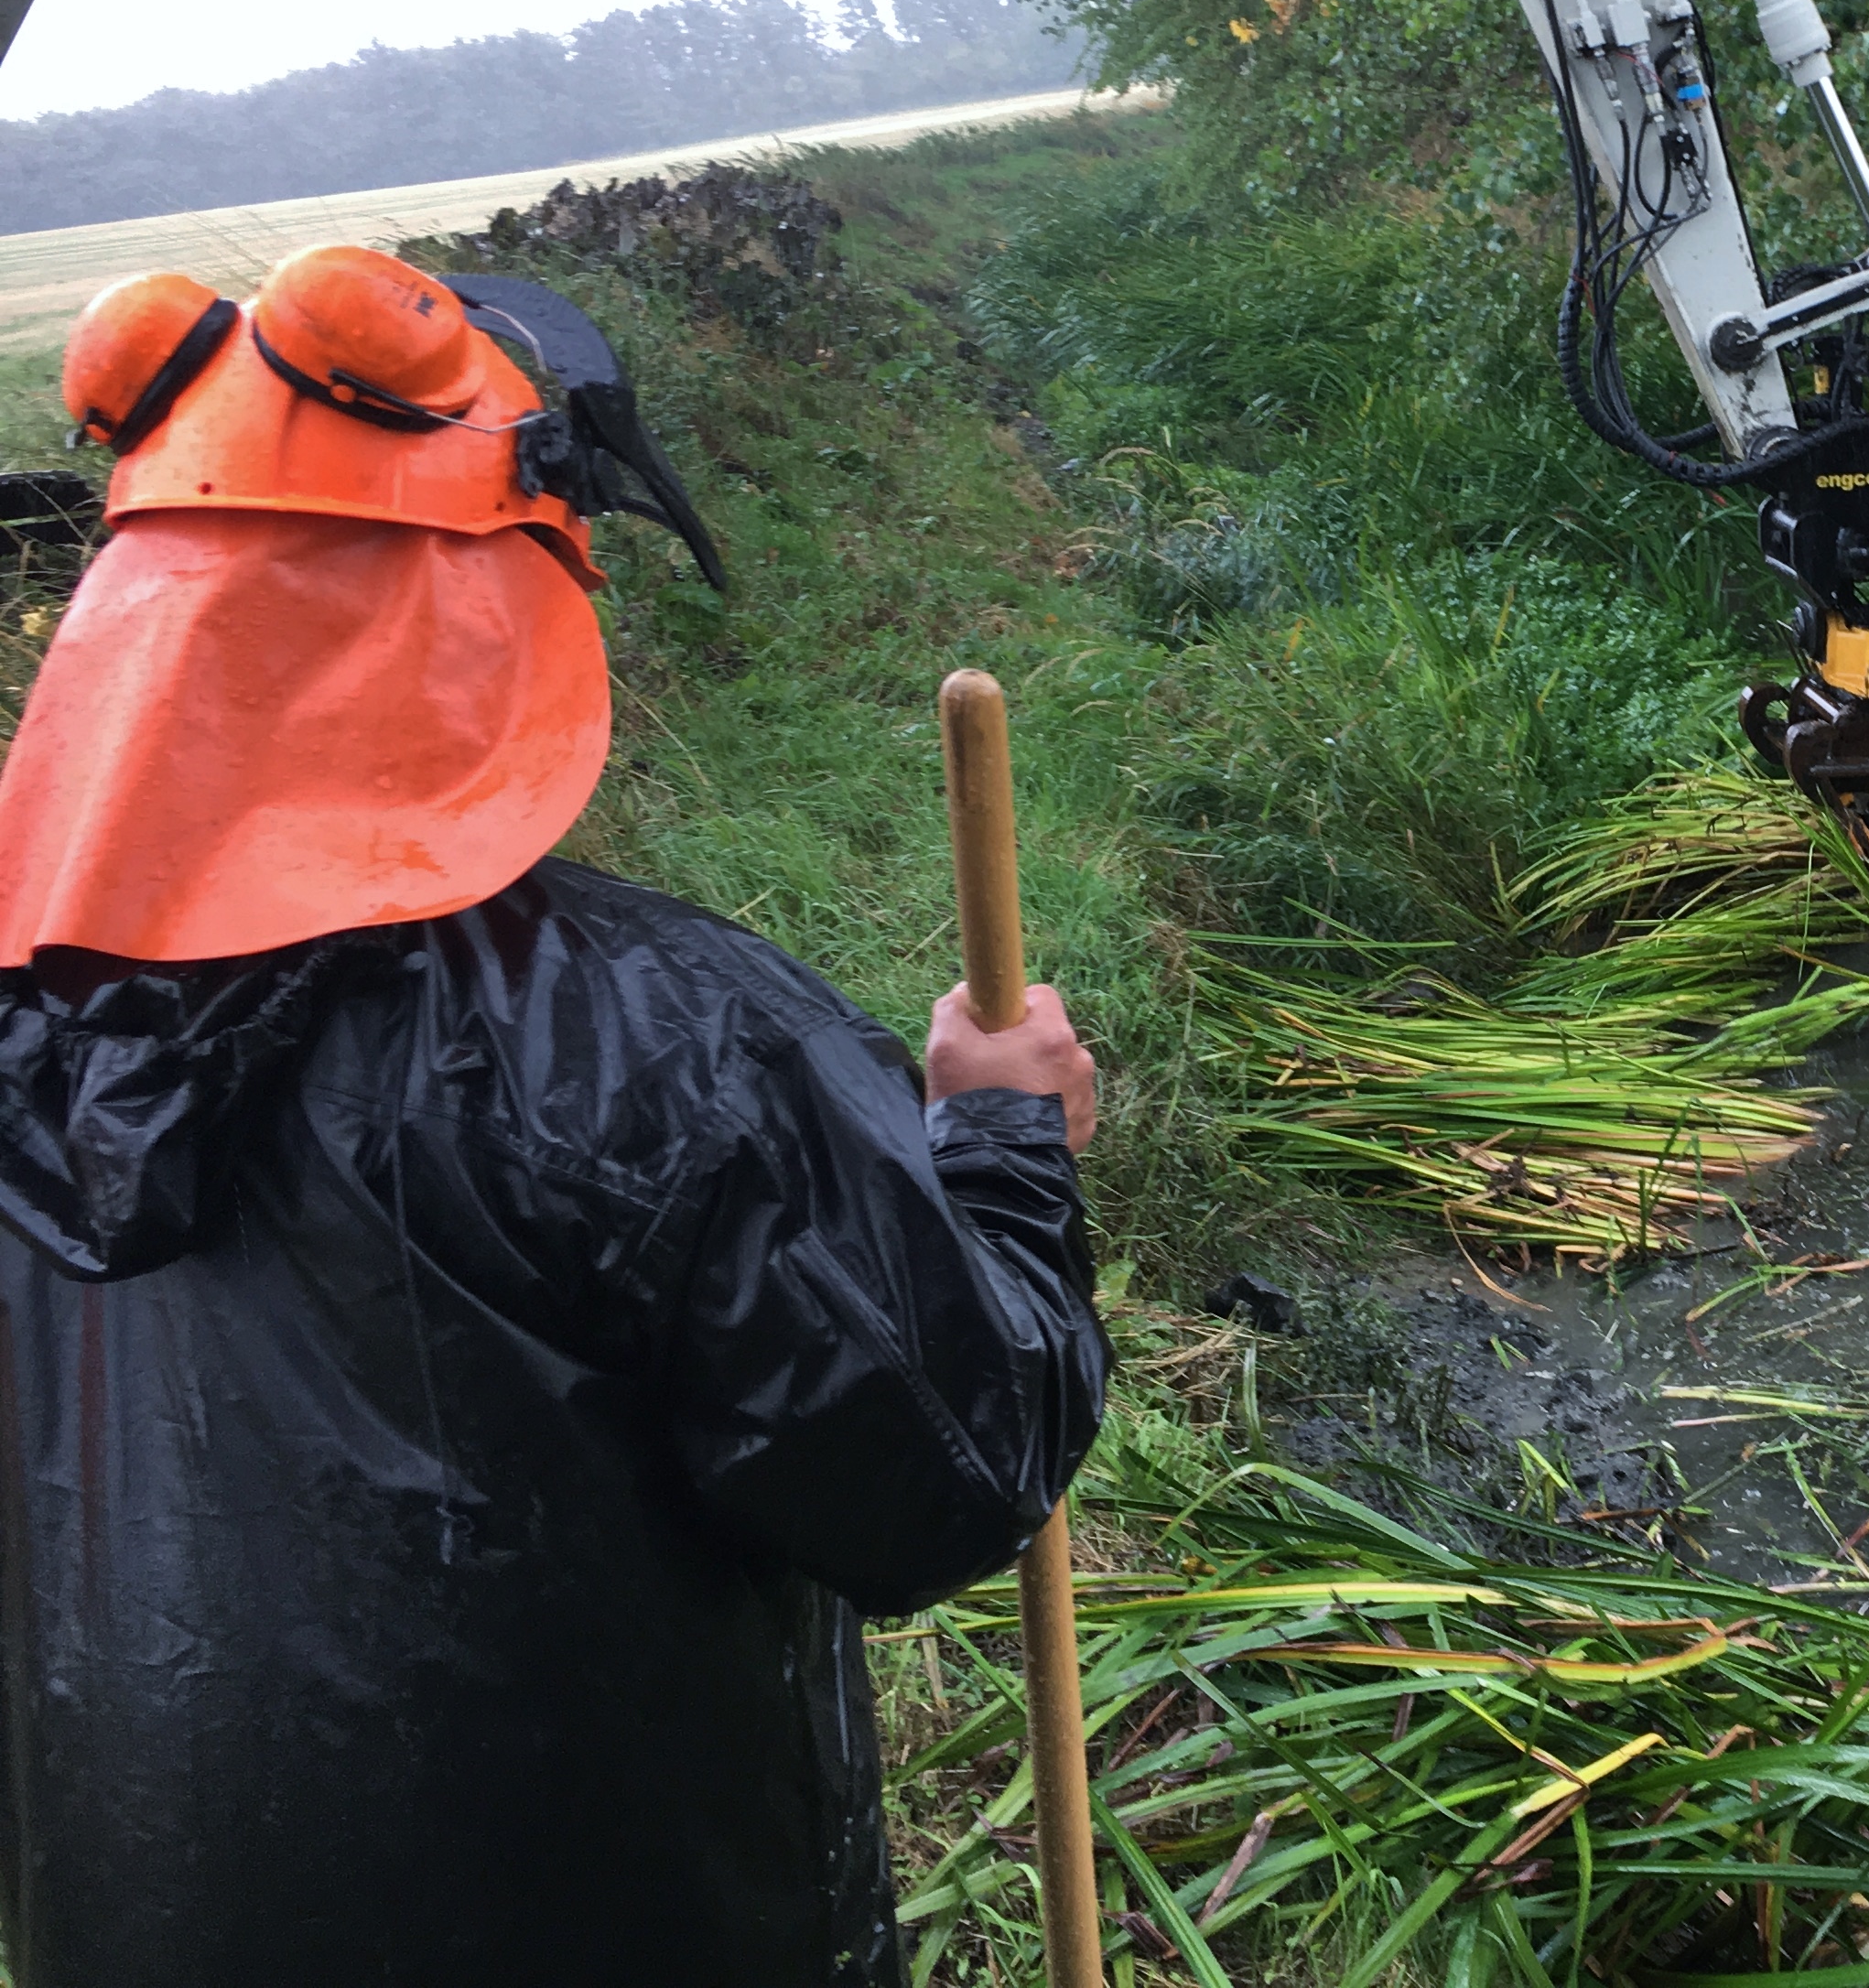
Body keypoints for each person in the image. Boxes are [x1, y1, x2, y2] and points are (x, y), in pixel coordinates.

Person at [0, 245, 1108, 1985]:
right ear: (498, 593)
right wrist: (1003, 1145)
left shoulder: (23, 1038)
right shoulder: (642, 1040)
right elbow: (947, 1469)